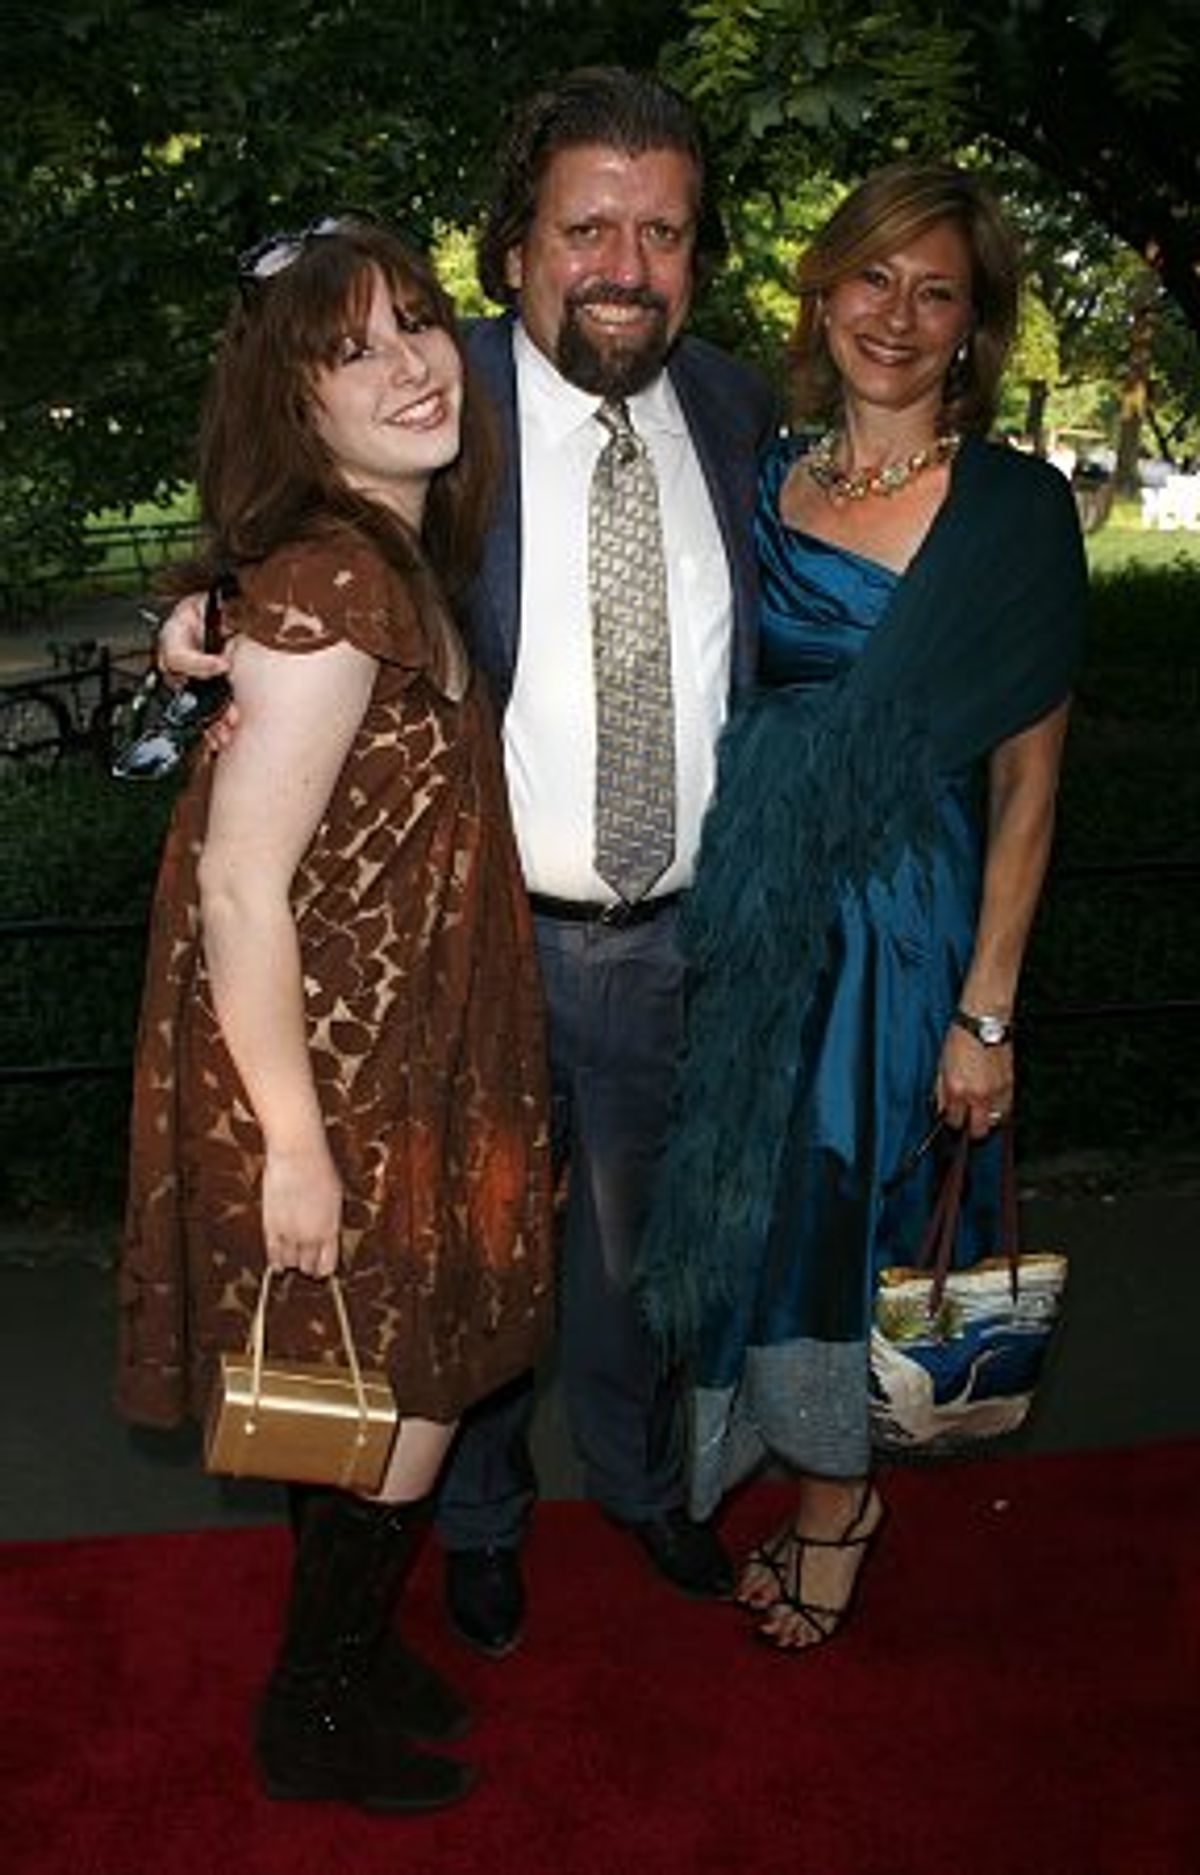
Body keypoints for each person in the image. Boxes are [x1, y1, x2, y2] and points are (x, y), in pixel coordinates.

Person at [157, 67, 778, 1656]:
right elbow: (297, 499)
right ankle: (483, 1531)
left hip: (679, 935)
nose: (625, 265)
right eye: (587, 228)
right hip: (482, 953)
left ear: (698, 256)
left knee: (642, 1258)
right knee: (467, 1274)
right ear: (515, 252)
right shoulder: (448, 397)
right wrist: (210, 605)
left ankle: (639, 1490)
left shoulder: (733, 407)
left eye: (662, 231)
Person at [116, 218, 554, 1807]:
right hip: (336, 1081)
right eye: (350, 350)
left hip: (402, 1059)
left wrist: (201, 619)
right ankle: (309, 1708)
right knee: (409, 1394)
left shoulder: (364, 566)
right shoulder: (325, 585)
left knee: (377, 1385)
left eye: (418, 324)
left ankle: (349, 1657)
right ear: (295, 404)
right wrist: (295, 1148)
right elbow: (242, 889)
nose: (410, 363)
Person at [638, 161, 1087, 1651]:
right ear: (820, 296)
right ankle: (810, 1475)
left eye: (935, 290)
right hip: (761, 911)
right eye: (871, 279)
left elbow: (1029, 784)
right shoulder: (760, 479)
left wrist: (987, 1008)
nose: (896, 315)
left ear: (974, 327)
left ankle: (841, 1505)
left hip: (908, 925)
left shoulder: (1017, 513)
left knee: (848, 1203)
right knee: (755, 1201)